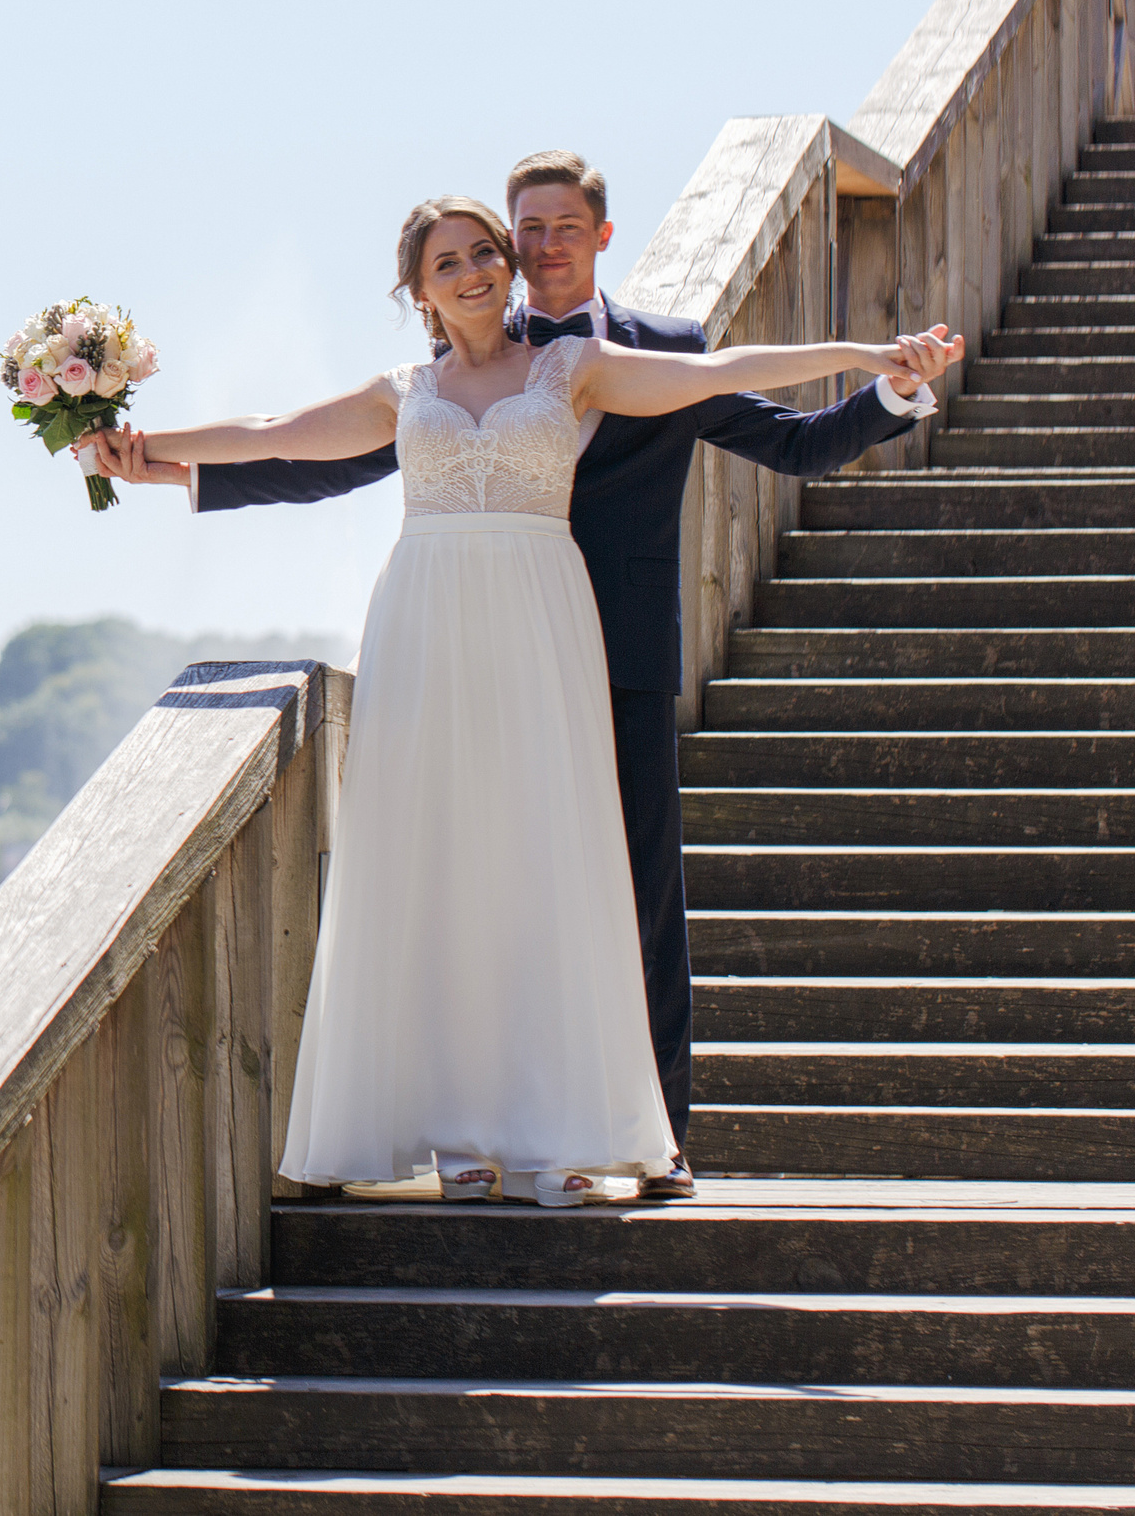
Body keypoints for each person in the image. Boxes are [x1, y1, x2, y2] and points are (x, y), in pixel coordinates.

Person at [90, 151, 943, 1199]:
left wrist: (882, 373)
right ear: (438, 278)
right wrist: (163, 460)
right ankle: (472, 1123)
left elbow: (774, 423)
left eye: (551, 230)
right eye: (513, 232)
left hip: (589, 641)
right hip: (444, 635)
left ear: (597, 235)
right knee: (460, 873)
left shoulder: (613, 359)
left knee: (626, 893)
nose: (528, 251)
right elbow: (327, 449)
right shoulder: (446, 369)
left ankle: (647, 1137)